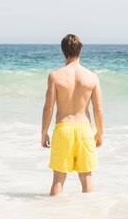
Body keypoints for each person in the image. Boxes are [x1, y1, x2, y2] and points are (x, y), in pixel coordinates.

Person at [41, 34, 104, 196]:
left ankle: (55, 216)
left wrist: (44, 133)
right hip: (84, 130)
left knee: (58, 179)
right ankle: (90, 215)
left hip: (63, 130)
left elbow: (48, 107)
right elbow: (98, 109)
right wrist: (100, 133)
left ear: (62, 51)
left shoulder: (55, 76)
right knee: (87, 177)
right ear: (81, 50)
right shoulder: (92, 77)